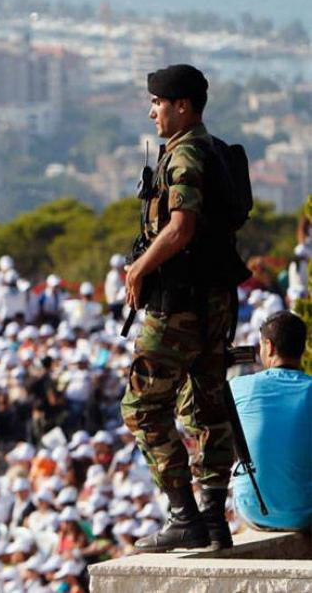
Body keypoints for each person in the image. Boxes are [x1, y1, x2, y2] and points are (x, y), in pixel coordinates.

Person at [121, 64, 249, 552]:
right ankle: (214, 520)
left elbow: (180, 227)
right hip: (214, 302)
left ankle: (183, 514)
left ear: (182, 105)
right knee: (206, 406)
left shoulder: (187, 154)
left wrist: (138, 269)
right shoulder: (213, 149)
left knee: (141, 407)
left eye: (158, 103)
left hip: (179, 305)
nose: (152, 112)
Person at [231, 311, 311, 531]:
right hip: (307, 512)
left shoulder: (238, 387)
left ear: (269, 346)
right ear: (302, 349)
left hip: (254, 512)